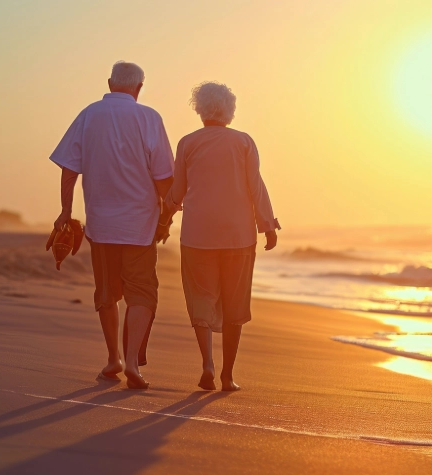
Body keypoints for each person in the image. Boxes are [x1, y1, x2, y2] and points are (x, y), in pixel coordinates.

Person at [50, 61, 174, 389]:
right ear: (139, 88)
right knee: (142, 293)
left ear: (109, 83)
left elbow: (68, 167)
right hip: (141, 225)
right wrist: (167, 216)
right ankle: (132, 362)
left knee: (107, 292)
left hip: (101, 224)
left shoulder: (89, 114)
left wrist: (65, 210)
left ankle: (113, 359)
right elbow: (164, 178)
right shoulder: (150, 118)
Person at [161, 82, 280, 391]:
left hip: (198, 235)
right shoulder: (243, 142)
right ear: (230, 110)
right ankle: (228, 375)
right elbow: (256, 185)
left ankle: (207, 365)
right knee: (234, 303)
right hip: (238, 236)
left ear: (200, 109)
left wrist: (165, 219)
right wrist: (267, 224)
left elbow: (178, 191)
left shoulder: (188, 143)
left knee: (201, 299)